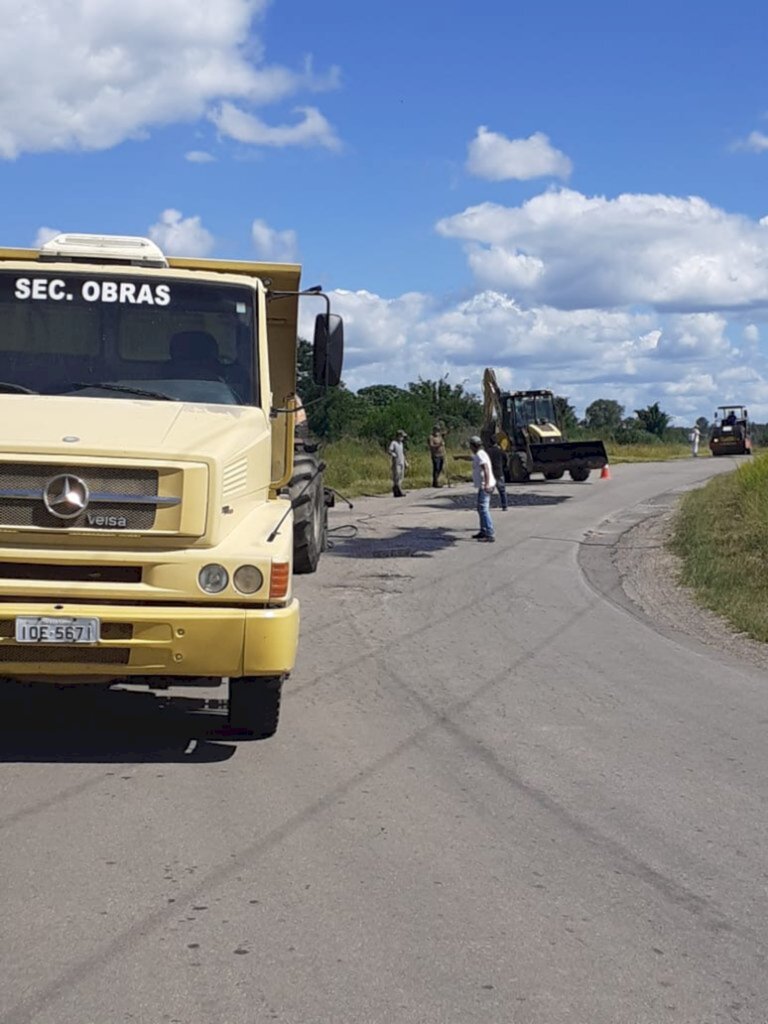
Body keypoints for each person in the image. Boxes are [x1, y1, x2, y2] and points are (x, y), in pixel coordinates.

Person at [469, 435, 495, 542]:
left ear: (473, 446)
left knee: (483, 509)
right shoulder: (480, 454)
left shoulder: (480, 455)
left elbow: (486, 469)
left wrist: (487, 484)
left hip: (486, 486)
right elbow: (472, 458)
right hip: (484, 485)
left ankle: (489, 533)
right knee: (480, 509)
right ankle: (483, 530)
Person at [486, 435, 508, 510]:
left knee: (489, 491)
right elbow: (506, 459)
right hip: (499, 472)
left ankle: (486, 505)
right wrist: (503, 467)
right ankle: (504, 506)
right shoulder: (500, 451)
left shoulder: (488, 451)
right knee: (502, 490)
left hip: (491, 473)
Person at [388, 429, 408, 497]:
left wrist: (405, 462)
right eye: (402, 436)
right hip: (396, 462)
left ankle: (398, 490)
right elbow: (389, 450)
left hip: (401, 461)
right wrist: (393, 454)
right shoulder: (394, 443)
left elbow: (402, 453)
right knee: (396, 476)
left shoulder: (401, 444)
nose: (402, 438)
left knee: (401, 476)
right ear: (398, 436)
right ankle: (398, 490)